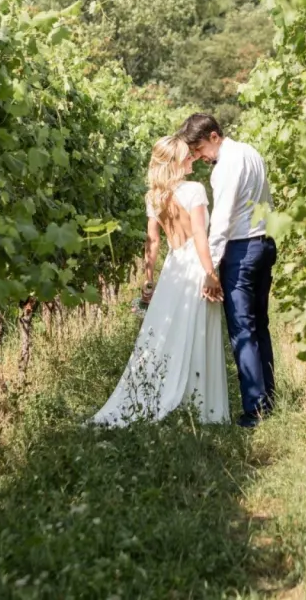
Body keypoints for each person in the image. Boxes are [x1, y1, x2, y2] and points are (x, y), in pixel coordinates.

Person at [91, 136, 229, 427]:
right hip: (194, 263)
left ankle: (166, 396)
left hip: (173, 267)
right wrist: (210, 272)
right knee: (198, 330)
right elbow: (201, 237)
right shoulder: (194, 190)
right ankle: (202, 407)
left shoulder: (154, 196)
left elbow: (152, 241)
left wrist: (149, 279)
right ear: (174, 162)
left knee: (167, 333)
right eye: (186, 156)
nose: (192, 159)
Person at [178, 113, 276, 428]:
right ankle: (268, 400)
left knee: (242, 331)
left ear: (214, 136)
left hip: (241, 251)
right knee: (260, 325)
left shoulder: (225, 168)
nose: (199, 156)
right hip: (264, 244)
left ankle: (255, 410)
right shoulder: (252, 153)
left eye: (199, 149)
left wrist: (212, 268)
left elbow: (221, 220)